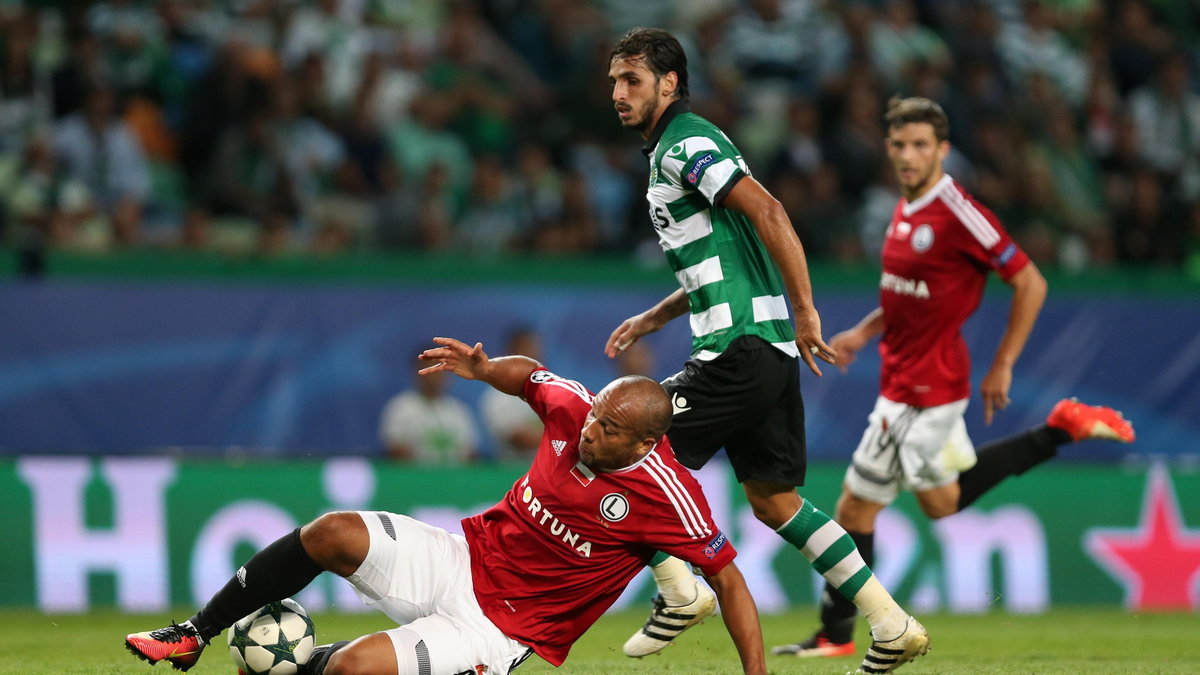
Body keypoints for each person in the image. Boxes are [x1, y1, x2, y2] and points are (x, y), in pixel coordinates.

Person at [125, 336, 769, 675]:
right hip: (462, 558)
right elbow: (533, 377)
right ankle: (193, 633)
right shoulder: (578, 410)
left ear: (648, 442)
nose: (591, 432)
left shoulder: (670, 497)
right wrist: (484, 370)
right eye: (595, 418)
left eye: (609, 431)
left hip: (499, 629)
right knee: (331, 532)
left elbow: (732, 581)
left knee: (355, 668)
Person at [602, 27, 929, 674]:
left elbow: (770, 212)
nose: (618, 92)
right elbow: (729, 252)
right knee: (774, 500)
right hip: (765, 349)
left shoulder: (685, 141)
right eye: (614, 80)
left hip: (738, 348)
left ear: (669, 83)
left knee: (619, 445)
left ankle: (679, 589)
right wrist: (655, 314)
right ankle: (892, 622)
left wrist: (809, 307)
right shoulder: (682, 146)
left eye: (631, 80)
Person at [775, 96, 1136, 659]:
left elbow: (1030, 282)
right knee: (920, 504)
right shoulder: (904, 207)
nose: (908, 156)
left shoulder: (959, 212)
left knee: (860, 509)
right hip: (901, 382)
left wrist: (1005, 362)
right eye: (899, 146)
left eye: (921, 145)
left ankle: (836, 633)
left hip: (927, 392)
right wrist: (865, 334)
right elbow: (904, 296)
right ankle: (1062, 428)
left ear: (943, 150)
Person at [378, 349, 479, 463]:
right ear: (417, 372)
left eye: (439, 369)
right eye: (428, 368)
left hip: (454, 478)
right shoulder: (400, 409)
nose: (434, 374)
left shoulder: (459, 411)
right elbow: (395, 451)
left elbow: (470, 454)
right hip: (414, 478)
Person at [479, 325, 544, 461]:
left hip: (554, 473)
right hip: (515, 474)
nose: (533, 354)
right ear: (512, 353)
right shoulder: (497, 396)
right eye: (526, 348)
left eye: (535, 347)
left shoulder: (549, 390)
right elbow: (519, 439)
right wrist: (563, 436)